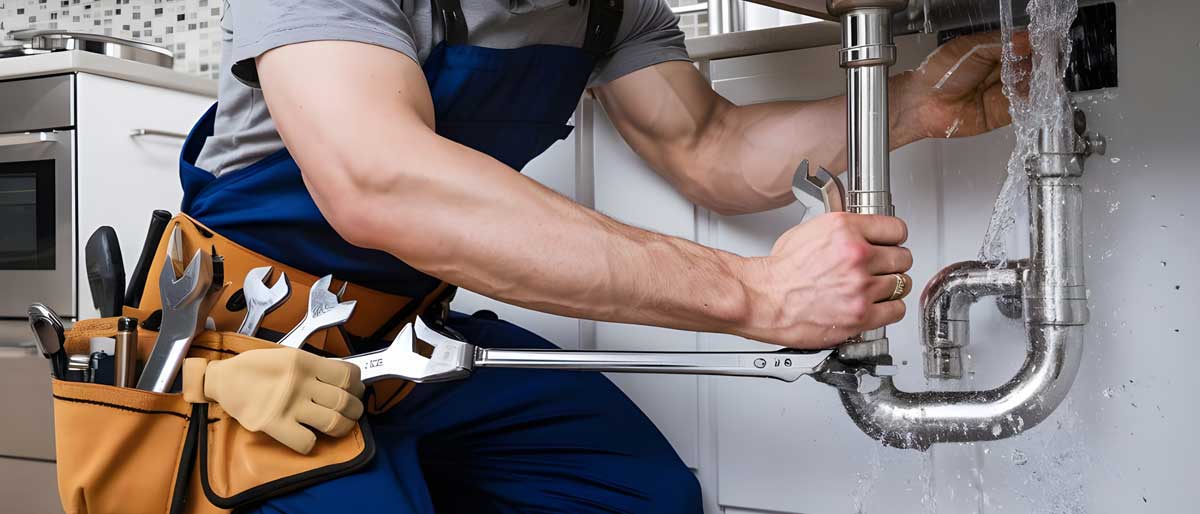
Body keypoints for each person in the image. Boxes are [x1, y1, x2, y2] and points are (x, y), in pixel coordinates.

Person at [177, 0, 1030, 511]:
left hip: (413, 334)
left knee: (636, 498)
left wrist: (912, 106)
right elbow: (379, 181)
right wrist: (754, 292)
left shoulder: (610, 8)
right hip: (254, 345)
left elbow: (706, 144)